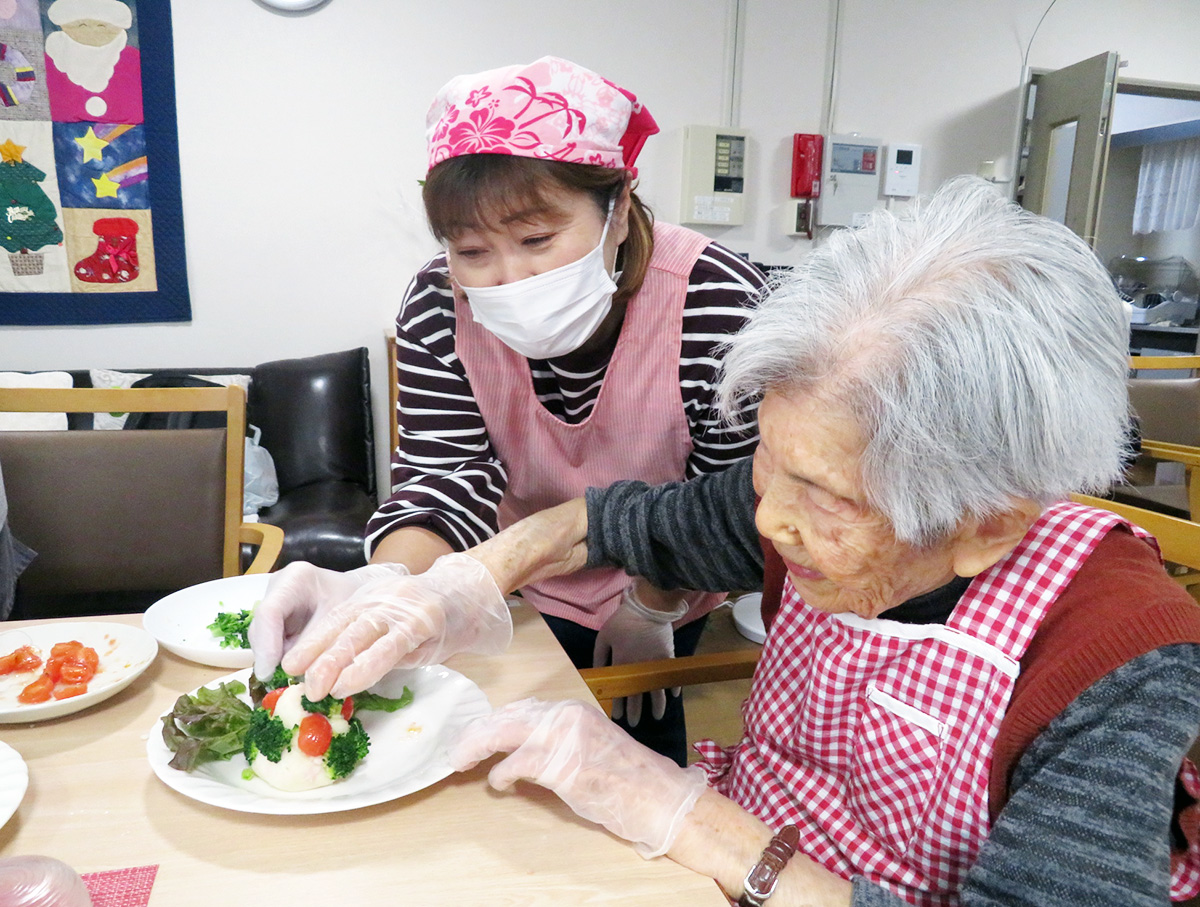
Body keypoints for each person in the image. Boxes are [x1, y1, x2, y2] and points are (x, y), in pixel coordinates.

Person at [255, 176, 1200, 906]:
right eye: (766, 466)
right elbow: (604, 519)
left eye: (822, 493)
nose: (768, 522)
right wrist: (445, 585)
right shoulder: (795, 509)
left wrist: (680, 812)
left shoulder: (1121, 659)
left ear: (987, 522)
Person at [254, 56, 765, 765]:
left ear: (618, 207)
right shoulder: (439, 304)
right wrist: (388, 586)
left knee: (637, 745)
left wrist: (651, 604)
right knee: (493, 753)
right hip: (509, 575)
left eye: (536, 240)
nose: (509, 278)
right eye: (472, 250)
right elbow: (445, 473)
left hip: (672, 573)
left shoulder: (719, 299)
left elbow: (731, 495)